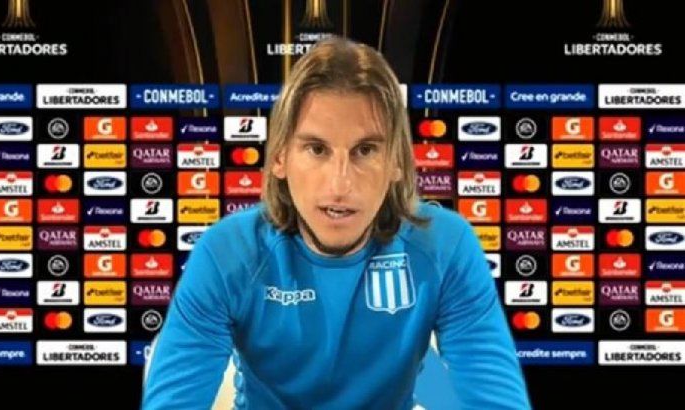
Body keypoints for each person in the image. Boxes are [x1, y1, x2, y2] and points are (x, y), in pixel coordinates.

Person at [141, 36, 531, 409]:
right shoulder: (226, 254)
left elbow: (495, 399)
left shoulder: (446, 245)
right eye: (317, 149)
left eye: (365, 150)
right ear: (279, 158)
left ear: (396, 162)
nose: (340, 184)